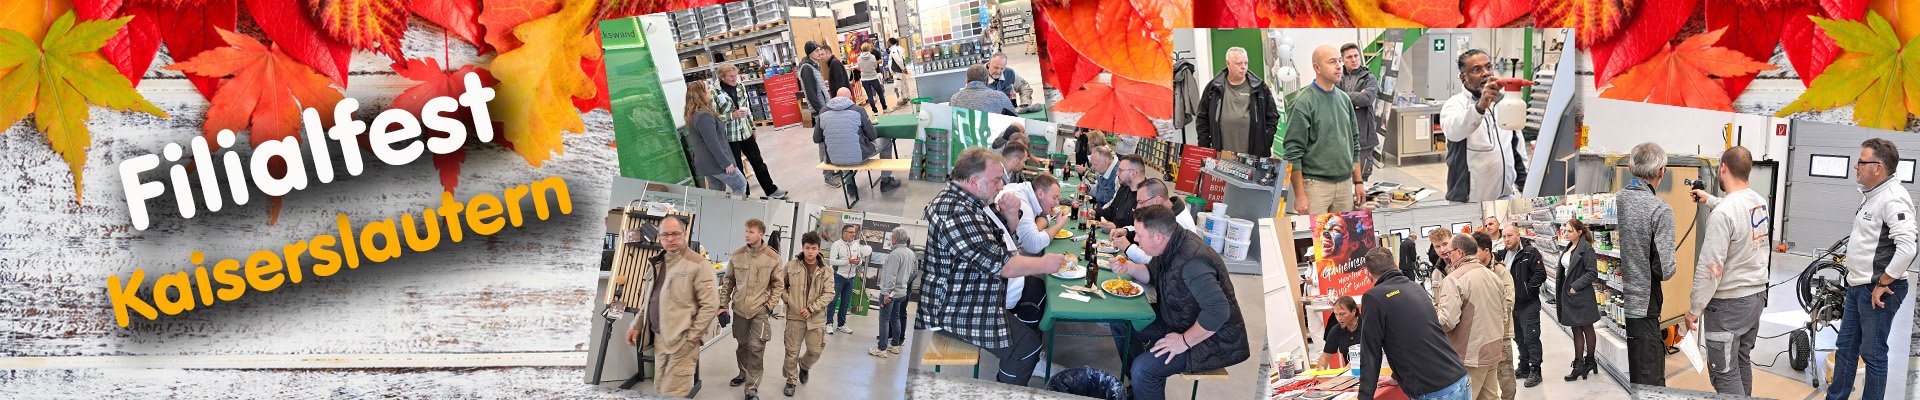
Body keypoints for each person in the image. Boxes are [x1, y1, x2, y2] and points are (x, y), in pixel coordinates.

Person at [919, 146, 1067, 386]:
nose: (1001, 186)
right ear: (975, 181)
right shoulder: (956, 213)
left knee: (1037, 292)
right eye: (997, 180)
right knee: (1027, 347)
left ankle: (1021, 351)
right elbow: (1002, 265)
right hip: (954, 305)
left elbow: (992, 243)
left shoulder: (972, 200)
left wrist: (1010, 215)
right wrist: (1044, 263)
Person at [1106, 205, 1249, 400]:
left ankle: (1141, 382)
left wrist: (1183, 342)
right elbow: (1152, 274)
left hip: (1211, 339)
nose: (1135, 239)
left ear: (1158, 237)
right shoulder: (1171, 243)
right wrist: (1129, 267)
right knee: (1121, 323)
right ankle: (1138, 390)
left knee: (1144, 369)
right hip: (1179, 318)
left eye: (1139, 234)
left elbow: (1218, 312)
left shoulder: (1192, 262)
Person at [1827, 138, 1915, 400]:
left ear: (1878, 168)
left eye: (1861, 162)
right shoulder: (1873, 197)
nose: (1856, 166)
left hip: (1879, 291)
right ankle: (1836, 397)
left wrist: (1884, 282)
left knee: (1873, 354)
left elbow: (1908, 247)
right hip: (1858, 287)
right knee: (1846, 348)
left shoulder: (1893, 198)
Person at [1678, 146, 1770, 395]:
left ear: (1724, 168)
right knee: (1740, 361)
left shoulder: (1723, 214)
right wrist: (1709, 200)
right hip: (1755, 299)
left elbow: (1711, 268)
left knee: (1724, 372)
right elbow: (1735, 215)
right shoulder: (1759, 203)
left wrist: (1694, 309)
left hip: (1728, 306)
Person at [1356, 247, 1471, 400]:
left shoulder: (1373, 297)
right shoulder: (1414, 287)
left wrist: (1365, 396)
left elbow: (1370, 351)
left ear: (1368, 275)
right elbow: (1415, 335)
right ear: (1395, 266)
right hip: (1460, 379)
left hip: (1434, 391)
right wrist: (1396, 377)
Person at [624, 216, 721, 398]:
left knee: (674, 393)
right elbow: (650, 299)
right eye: (665, 235)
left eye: (675, 234)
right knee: (660, 388)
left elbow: (710, 306)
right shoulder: (658, 263)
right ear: (659, 237)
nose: (670, 239)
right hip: (660, 339)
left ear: (684, 234)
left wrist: (690, 339)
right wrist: (636, 326)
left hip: (682, 343)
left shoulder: (699, 265)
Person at [1616, 142, 1677, 386]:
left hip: (1612, 303)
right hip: (1641, 308)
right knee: (1648, 377)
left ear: (1630, 167)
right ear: (1662, 171)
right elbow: (1664, 269)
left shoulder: (1612, 200)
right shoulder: (1660, 209)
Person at [1282, 45, 1363, 215]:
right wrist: (1300, 195)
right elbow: (1292, 153)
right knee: (1317, 240)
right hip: (1315, 186)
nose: (1339, 66)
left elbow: (1354, 143)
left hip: (1344, 186)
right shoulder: (1303, 103)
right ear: (1317, 68)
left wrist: (1358, 182)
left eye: (1340, 61)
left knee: (1345, 240)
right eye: (1332, 62)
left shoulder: (1344, 99)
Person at [1440, 49, 1527, 203]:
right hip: (1468, 201)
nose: (1486, 73)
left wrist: (1524, 184)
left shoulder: (1503, 103)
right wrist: (1480, 107)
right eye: (1477, 70)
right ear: (1463, 78)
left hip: (1504, 196)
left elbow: (1516, 148)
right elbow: (1454, 132)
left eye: (1488, 67)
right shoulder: (1454, 105)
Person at [1432, 234, 1505, 400]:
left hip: (1470, 355)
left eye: (1449, 251)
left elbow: (1447, 321)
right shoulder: (1492, 275)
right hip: (1493, 347)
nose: (1447, 254)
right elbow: (1504, 312)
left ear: (1460, 252)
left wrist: (1430, 324)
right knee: (1491, 396)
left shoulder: (1454, 279)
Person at [723, 219, 784, 400]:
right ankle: (743, 372)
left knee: (756, 348)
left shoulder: (773, 257)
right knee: (742, 345)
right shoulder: (737, 255)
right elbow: (728, 283)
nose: (746, 235)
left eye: (751, 231)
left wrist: (768, 307)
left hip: (760, 310)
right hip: (740, 309)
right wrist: (723, 305)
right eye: (746, 231)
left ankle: (752, 389)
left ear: (760, 234)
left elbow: (778, 286)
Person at [713, 64, 786, 200]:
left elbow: (748, 109)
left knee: (758, 162)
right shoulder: (714, 92)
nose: (735, 78)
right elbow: (713, 118)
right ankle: (744, 198)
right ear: (722, 77)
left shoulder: (740, 86)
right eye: (731, 76)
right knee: (738, 169)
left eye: (736, 75)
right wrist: (731, 116)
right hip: (729, 137)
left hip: (745, 132)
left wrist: (752, 127)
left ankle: (771, 191)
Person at [1196, 47, 1280, 157]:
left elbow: (1272, 117)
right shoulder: (1213, 88)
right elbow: (1202, 119)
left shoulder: (1260, 88)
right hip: (1222, 155)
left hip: (1254, 154)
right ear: (1228, 63)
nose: (1244, 67)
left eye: (1246, 63)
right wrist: (1205, 149)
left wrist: (1265, 142)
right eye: (1239, 64)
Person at [813, 88, 902, 192]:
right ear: (851, 98)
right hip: (858, 156)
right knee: (886, 142)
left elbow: (816, 138)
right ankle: (886, 181)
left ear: (835, 97)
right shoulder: (858, 110)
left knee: (843, 147)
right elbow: (872, 136)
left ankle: (850, 186)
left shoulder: (823, 112)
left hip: (834, 159)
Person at [780, 232, 836, 397]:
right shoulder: (791, 266)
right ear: (802, 248)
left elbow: (829, 294)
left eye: (813, 248)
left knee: (815, 351)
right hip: (795, 317)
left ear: (819, 249)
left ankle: (804, 366)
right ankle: (791, 380)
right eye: (807, 248)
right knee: (791, 351)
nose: (810, 252)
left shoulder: (827, 271)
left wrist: (812, 308)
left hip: (816, 318)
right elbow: (780, 286)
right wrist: (789, 300)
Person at [1501, 222, 1547, 388]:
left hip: (1528, 303)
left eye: (1510, 235)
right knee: (1519, 337)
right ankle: (1525, 366)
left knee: (1531, 336)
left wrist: (1527, 290)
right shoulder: (1502, 254)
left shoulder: (1530, 252)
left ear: (1518, 235)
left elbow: (1540, 274)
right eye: (1504, 236)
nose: (1507, 239)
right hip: (1512, 305)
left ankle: (1536, 369)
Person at [1473, 232, 1518, 400]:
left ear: (1486, 250)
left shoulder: (1500, 271)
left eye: (1475, 252)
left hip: (1501, 333)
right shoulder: (1473, 271)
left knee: (1505, 375)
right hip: (1479, 335)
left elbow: (1508, 301)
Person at [1556, 218, 1601, 381]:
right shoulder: (1569, 246)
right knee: (1576, 329)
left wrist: (1574, 286)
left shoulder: (1586, 249)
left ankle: (1588, 362)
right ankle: (1581, 364)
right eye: (1565, 230)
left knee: (1587, 328)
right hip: (1569, 295)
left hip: (1581, 295)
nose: (1566, 234)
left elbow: (1592, 273)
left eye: (1569, 231)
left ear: (1579, 232)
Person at [1112, 178, 1197, 265]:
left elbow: (1157, 264)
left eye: (1141, 202)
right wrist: (1126, 232)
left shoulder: (1179, 224)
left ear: (1157, 201)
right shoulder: (1165, 211)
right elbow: (1149, 231)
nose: (1137, 207)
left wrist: (1128, 248)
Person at [685, 81, 748, 195]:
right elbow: (712, 142)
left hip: (707, 163)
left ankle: (720, 211)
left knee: (717, 192)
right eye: (707, 89)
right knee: (740, 184)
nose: (710, 91)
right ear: (702, 94)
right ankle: (738, 210)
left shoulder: (694, 114)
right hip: (715, 162)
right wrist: (725, 163)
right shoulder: (704, 115)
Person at [995, 173, 1070, 257]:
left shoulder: (1029, 191)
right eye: (1054, 198)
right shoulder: (1021, 202)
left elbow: (1045, 213)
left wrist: (1036, 227)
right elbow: (1033, 245)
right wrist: (1059, 225)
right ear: (1040, 194)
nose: (1057, 203)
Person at [800, 41, 842, 186]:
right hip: (820, 112)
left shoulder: (814, 67)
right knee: (823, 143)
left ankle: (832, 168)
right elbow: (811, 94)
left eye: (820, 50)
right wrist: (821, 111)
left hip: (824, 109)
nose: (820, 52)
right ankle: (827, 176)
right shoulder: (807, 69)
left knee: (829, 141)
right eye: (817, 50)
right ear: (810, 53)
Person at [872, 229, 916, 358]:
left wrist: (887, 293)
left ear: (896, 239)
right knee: (895, 317)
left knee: (884, 320)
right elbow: (912, 272)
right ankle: (895, 345)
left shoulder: (895, 254)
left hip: (891, 293)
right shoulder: (910, 253)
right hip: (902, 292)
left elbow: (891, 275)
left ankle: (881, 349)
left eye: (892, 237)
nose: (891, 239)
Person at [1337, 43, 1379, 181]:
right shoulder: (1336, 76)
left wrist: (1343, 96)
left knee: (1361, 179)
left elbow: (1367, 98)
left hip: (1364, 137)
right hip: (1340, 137)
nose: (1354, 59)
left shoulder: (1369, 77)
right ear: (1342, 59)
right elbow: (1330, 96)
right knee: (1341, 178)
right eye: (1349, 57)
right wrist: (1356, 98)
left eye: (1356, 56)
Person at [825, 223, 869, 335]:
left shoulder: (856, 246)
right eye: (851, 232)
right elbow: (833, 261)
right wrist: (847, 261)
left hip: (851, 278)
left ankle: (841, 325)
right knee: (833, 301)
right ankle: (829, 324)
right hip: (838, 276)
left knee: (845, 303)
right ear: (844, 233)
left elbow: (860, 260)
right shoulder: (837, 245)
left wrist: (858, 261)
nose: (854, 234)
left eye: (854, 232)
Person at [1095, 155, 1147, 231]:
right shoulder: (1124, 187)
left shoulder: (1146, 197)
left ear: (1133, 174)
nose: (1117, 173)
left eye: (1121, 170)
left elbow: (1141, 232)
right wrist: (1095, 213)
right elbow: (1111, 210)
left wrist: (1117, 229)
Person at [950, 65, 1017, 116]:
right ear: (987, 81)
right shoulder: (1000, 96)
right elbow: (1016, 118)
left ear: (967, 81)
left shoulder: (954, 98)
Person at [1318, 295, 1362, 368]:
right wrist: (1321, 368)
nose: (1339, 318)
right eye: (1336, 314)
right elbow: (1325, 357)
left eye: (1342, 314)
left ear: (1353, 311)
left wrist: (1356, 362)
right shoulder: (1336, 330)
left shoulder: (1368, 325)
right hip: (1349, 373)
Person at [856, 43, 889, 114]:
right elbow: (875, 66)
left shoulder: (859, 58)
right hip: (873, 77)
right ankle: (884, 108)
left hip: (864, 79)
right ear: (868, 48)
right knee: (880, 93)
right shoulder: (873, 57)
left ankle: (875, 111)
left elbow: (859, 67)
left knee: (870, 95)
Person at [887, 38, 912, 108]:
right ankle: (904, 98)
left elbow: (898, 60)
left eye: (887, 42)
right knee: (902, 85)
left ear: (890, 43)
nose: (887, 44)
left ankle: (900, 100)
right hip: (898, 70)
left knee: (897, 87)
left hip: (897, 71)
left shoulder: (894, 50)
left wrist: (902, 68)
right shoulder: (896, 49)